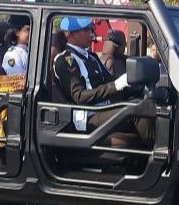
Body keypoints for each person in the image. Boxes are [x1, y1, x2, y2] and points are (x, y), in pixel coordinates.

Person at [52, 17, 153, 145]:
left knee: (145, 104)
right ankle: (158, 156)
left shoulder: (92, 57)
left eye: (92, 29)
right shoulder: (66, 59)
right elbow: (79, 96)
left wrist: (135, 86)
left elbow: (109, 82)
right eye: (86, 30)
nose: (91, 33)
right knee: (136, 110)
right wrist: (116, 85)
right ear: (70, 34)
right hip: (87, 116)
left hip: (104, 109)